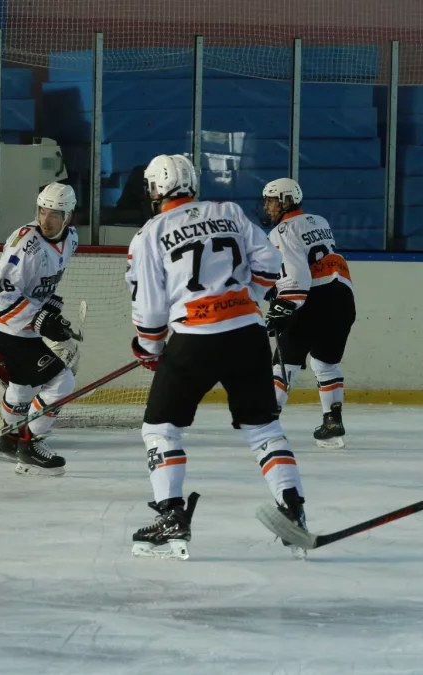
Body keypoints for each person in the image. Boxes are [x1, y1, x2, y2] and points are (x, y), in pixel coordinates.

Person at [125, 154, 308, 560]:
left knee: (160, 428)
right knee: (263, 429)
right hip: (247, 334)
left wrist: (150, 347)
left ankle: (171, 516)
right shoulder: (229, 212)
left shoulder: (150, 234)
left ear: (156, 189)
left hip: (194, 340)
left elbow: (150, 307)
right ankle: (293, 509)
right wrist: (244, 300)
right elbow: (270, 263)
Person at [0, 183, 81, 476]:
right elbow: (4, 297)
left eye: (54, 214)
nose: (46, 220)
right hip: (4, 322)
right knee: (61, 381)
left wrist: (49, 306)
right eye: (42, 211)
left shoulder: (71, 239)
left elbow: (40, 283)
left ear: (68, 217)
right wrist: (41, 320)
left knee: (23, 384)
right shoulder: (26, 245)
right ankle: (30, 446)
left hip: (17, 322)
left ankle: (8, 441)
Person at [260, 177, 356, 449]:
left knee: (284, 365)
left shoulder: (282, 231)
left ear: (286, 201)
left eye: (271, 200)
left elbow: (297, 274)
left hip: (311, 300)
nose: (266, 206)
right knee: (325, 364)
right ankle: (332, 423)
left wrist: (284, 304)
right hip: (343, 298)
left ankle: (266, 425)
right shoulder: (319, 221)